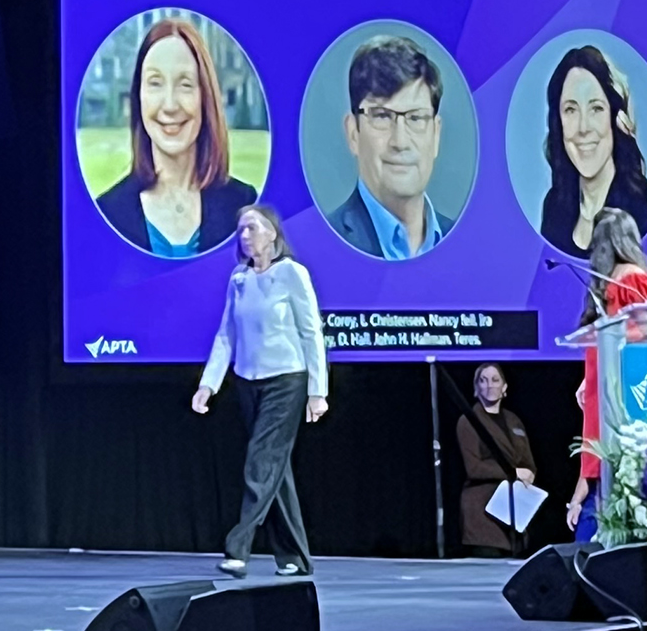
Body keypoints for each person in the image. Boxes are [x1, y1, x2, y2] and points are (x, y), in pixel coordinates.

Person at [192, 203, 328, 576]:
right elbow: (226, 335)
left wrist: (318, 390)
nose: (245, 235)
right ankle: (295, 557)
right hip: (248, 381)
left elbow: (310, 332)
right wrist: (208, 385)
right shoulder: (239, 278)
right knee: (275, 470)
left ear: (273, 233)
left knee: (261, 461)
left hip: (287, 380)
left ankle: (239, 546)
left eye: (252, 227)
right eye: (241, 230)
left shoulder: (292, 274)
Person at [93, 17, 256, 256]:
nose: (169, 105)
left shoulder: (244, 204)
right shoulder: (107, 212)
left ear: (205, 98)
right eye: (155, 83)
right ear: (139, 97)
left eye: (185, 84)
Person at [566, 208, 647, 540]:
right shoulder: (612, 278)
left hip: (621, 377)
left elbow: (645, 329)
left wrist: (608, 346)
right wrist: (586, 378)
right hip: (601, 373)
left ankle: (609, 532)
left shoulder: (632, 276)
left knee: (610, 451)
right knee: (597, 448)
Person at [324, 35, 454, 258]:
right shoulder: (322, 243)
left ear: (436, 135)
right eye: (382, 116)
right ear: (353, 133)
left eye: (416, 118)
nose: (400, 142)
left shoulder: (467, 244)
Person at [538, 44, 647, 258]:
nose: (583, 128)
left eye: (596, 109)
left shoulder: (642, 220)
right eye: (571, 110)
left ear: (616, 119)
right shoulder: (554, 209)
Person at [456, 363, 536, 556]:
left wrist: (530, 475)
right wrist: (514, 473)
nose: (490, 385)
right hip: (483, 511)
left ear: (504, 387)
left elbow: (527, 463)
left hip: (513, 508)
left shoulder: (514, 420)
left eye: (495, 380)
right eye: (483, 381)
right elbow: (474, 468)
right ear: (477, 388)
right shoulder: (468, 421)